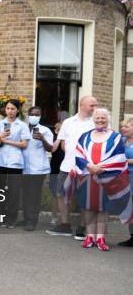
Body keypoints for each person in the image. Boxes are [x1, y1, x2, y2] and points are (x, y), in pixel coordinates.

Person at [66, 109, 128, 251]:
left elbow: (119, 156)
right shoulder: (85, 136)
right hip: (87, 176)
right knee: (88, 207)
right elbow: (79, 154)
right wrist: (89, 166)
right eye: (98, 118)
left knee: (103, 209)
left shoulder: (116, 137)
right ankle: (89, 236)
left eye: (103, 118)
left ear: (108, 119)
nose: (100, 120)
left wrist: (101, 167)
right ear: (93, 120)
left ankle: (100, 238)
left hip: (107, 177)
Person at [46, 96, 97, 238]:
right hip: (67, 165)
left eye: (95, 105)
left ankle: (81, 228)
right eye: (92, 105)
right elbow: (60, 143)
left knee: (84, 198)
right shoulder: (67, 122)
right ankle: (65, 225)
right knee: (61, 194)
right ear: (82, 105)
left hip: (86, 168)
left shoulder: (96, 123)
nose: (94, 108)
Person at [0, 99, 31, 227]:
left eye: (13, 109)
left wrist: (7, 141)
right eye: (8, 108)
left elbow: (24, 144)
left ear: (18, 110)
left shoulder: (22, 125)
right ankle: (0, 217)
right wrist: (0, 136)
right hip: (0, 161)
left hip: (15, 161)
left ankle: (11, 219)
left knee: (14, 191)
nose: (10, 111)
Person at [20, 107, 53, 231]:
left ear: (40, 116)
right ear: (28, 115)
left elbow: (50, 148)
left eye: (37, 114)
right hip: (23, 167)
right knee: (25, 194)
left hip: (38, 168)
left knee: (34, 195)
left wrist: (42, 139)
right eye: (32, 114)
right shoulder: (22, 128)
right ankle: (25, 218)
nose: (34, 116)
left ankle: (32, 221)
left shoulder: (45, 131)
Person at [118, 117, 133, 247]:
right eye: (122, 126)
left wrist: (121, 161)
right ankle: (132, 237)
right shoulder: (122, 140)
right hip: (124, 178)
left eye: (126, 127)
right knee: (128, 208)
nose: (123, 129)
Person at [48, 122, 64, 226]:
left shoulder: (67, 138)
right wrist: (59, 136)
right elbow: (52, 149)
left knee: (64, 194)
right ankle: (54, 216)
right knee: (55, 193)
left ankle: (63, 218)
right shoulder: (53, 136)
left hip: (66, 168)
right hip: (55, 167)